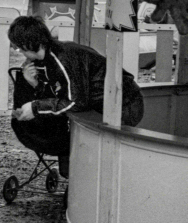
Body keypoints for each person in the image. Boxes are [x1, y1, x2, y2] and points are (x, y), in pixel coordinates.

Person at [8, 15, 144, 179]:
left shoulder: (64, 58)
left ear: (28, 44)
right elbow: (62, 94)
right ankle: (79, 178)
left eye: (19, 48)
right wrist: (35, 85)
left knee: (100, 144)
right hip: (104, 103)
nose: (19, 52)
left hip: (124, 104)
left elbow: (75, 102)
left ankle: (91, 181)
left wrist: (36, 107)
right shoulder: (51, 56)